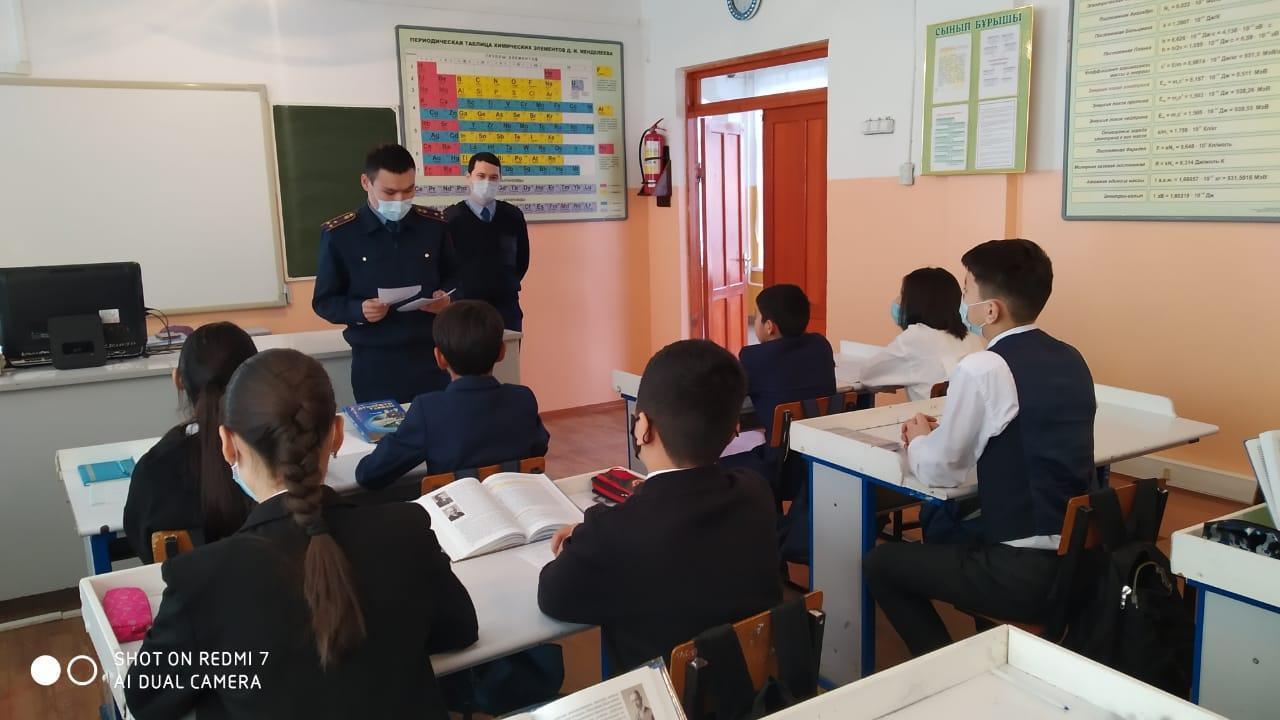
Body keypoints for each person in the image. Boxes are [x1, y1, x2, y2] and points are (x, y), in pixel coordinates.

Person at [125, 349, 478, 719]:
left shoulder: (202, 579)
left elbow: (147, 698)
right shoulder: (406, 531)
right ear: (337, 434)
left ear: (227, 444)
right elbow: (458, 630)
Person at [863, 238, 1096, 657]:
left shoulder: (985, 366)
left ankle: (947, 667)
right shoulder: (1072, 357)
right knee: (950, 524)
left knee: (880, 564)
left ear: (991, 310)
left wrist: (919, 439)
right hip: (1080, 559)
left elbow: (941, 470)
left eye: (967, 289)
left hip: (1021, 571)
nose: (962, 300)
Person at [538, 340, 783, 672]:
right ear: (732, 433)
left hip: (662, 695)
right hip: (747, 685)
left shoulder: (613, 535)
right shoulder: (756, 493)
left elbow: (552, 595)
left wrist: (583, 540)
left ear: (643, 427)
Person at [313, 143, 457, 404]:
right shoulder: (341, 234)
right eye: (389, 192)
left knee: (436, 426)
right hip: (375, 362)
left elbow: (456, 278)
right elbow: (325, 301)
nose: (400, 200)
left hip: (430, 356)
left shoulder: (434, 226)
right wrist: (359, 310)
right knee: (384, 430)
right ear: (365, 182)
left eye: (409, 190)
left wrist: (446, 299)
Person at [355, 300, 550, 491]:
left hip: (457, 508)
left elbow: (370, 475)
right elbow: (538, 448)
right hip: (517, 501)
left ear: (439, 357)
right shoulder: (522, 398)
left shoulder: (428, 409)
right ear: (502, 352)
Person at [123, 322, 257, 563]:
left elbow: (144, 546)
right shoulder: (282, 452)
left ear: (178, 380)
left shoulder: (154, 470)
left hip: (184, 587)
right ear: (258, 378)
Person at [850, 267, 986, 401]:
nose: (898, 301)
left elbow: (868, 376)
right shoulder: (972, 337)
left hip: (931, 416)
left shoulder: (916, 337)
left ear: (916, 302)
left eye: (903, 295)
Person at [444, 152, 530, 331]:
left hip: (506, 311)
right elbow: (445, 267)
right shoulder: (451, 219)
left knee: (508, 350)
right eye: (481, 176)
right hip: (465, 313)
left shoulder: (513, 216)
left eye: (493, 178)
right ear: (468, 177)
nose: (487, 182)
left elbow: (522, 261)